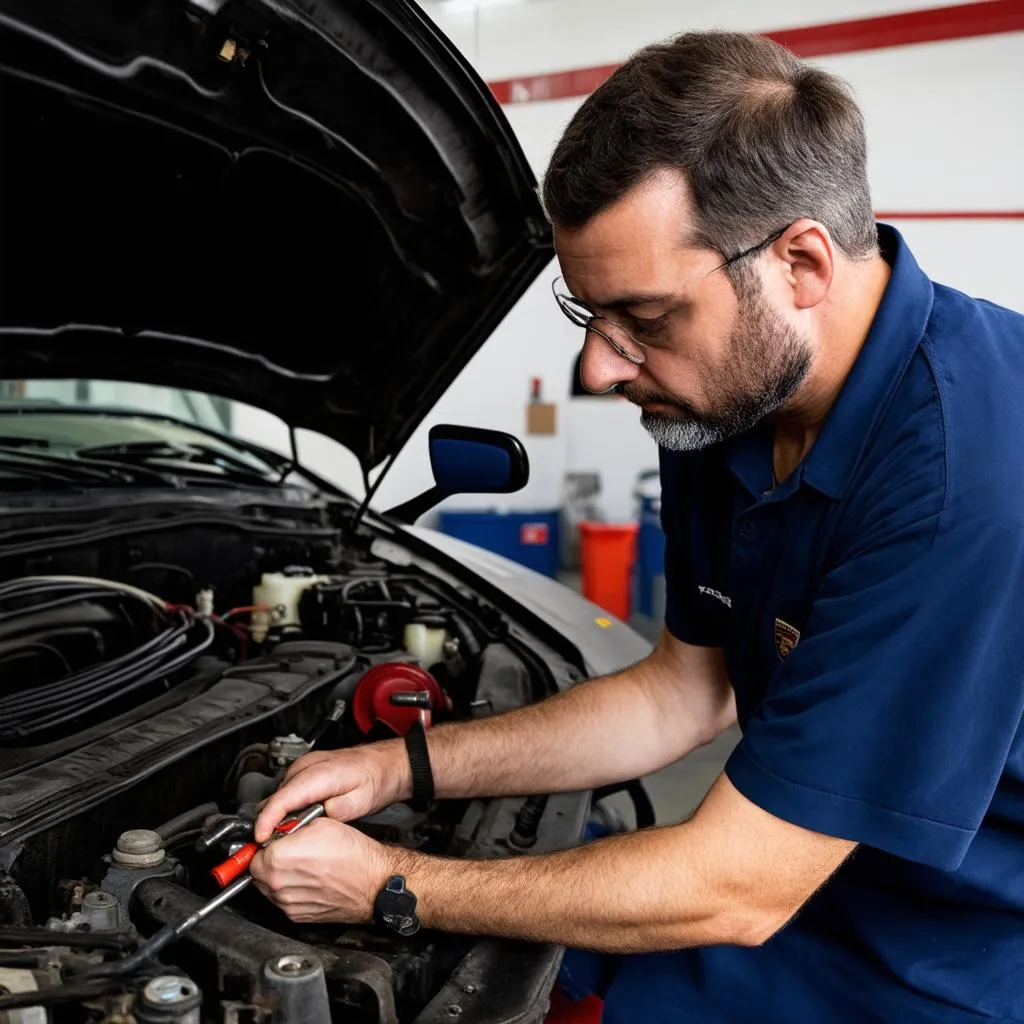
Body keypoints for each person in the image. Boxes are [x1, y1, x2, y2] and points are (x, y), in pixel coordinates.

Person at [249, 31, 1024, 1022]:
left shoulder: (969, 473)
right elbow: (681, 693)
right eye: (589, 319)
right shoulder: (723, 403)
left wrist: (391, 885)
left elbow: (738, 885)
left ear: (798, 262)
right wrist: (398, 763)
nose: (602, 370)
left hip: (955, 959)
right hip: (805, 881)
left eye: (643, 318)